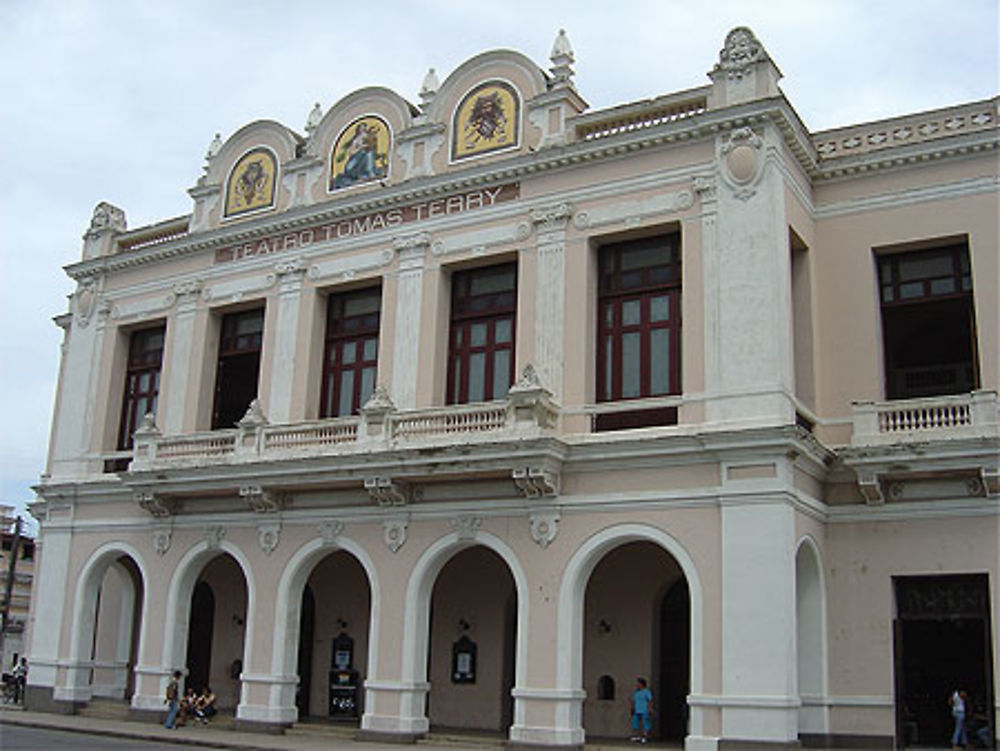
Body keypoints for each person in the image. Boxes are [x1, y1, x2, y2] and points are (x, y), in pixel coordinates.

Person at [629, 676, 654, 743]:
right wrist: (632, 708)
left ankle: (645, 736)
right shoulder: (636, 693)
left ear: (642, 684)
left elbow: (650, 700)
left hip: (644, 710)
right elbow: (633, 701)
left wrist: (650, 708)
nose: (637, 685)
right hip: (637, 710)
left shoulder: (647, 691)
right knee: (635, 723)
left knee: (645, 723)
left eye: (638, 684)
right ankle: (637, 736)